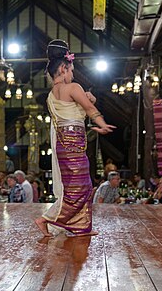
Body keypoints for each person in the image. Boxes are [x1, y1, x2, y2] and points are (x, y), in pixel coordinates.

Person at [34, 40, 115, 238]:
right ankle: (46, 219)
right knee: (83, 187)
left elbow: (76, 111)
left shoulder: (52, 95)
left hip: (64, 143)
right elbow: (89, 109)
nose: (73, 74)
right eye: (71, 70)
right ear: (63, 68)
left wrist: (89, 101)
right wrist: (102, 123)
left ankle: (79, 226)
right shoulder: (73, 87)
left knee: (78, 187)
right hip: (72, 142)